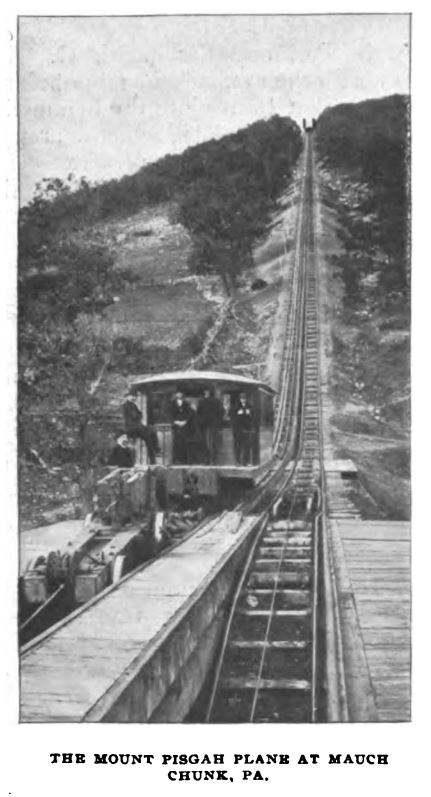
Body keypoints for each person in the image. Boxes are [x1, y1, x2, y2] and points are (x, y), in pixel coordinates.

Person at [122, 391, 159, 464]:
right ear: (127, 397)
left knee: (152, 433)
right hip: (131, 428)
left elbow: (139, 415)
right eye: (132, 396)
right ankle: (153, 458)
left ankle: (154, 454)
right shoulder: (125, 406)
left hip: (137, 427)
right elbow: (131, 418)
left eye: (134, 396)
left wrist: (139, 421)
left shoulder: (134, 406)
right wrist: (138, 422)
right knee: (147, 434)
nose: (133, 398)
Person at [197, 388, 224, 464]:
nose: (206, 393)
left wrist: (201, 420)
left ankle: (209, 460)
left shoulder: (202, 401)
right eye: (205, 391)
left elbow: (198, 414)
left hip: (208, 424)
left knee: (209, 443)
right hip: (210, 425)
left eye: (207, 391)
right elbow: (222, 412)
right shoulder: (216, 401)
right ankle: (211, 460)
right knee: (210, 443)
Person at [170, 390, 195, 464]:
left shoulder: (186, 404)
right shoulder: (172, 404)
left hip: (185, 425)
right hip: (176, 426)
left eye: (181, 393)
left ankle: (186, 460)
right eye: (178, 393)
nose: (179, 394)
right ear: (176, 394)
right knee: (176, 443)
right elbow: (169, 413)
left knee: (185, 443)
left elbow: (190, 413)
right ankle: (176, 460)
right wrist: (175, 421)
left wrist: (185, 421)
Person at [232, 392, 253, 466]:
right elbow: (233, 417)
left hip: (246, 429)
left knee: (246, 446)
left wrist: (249, 414)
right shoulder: (236, 406)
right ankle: (238, 462)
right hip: (238, 430)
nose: (243, 400)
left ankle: (246, 462)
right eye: (241, 399)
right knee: (238, 446)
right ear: (240, 399)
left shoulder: (249, 406)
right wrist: (238, 414)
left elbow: (252, 417)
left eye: (244, 399)